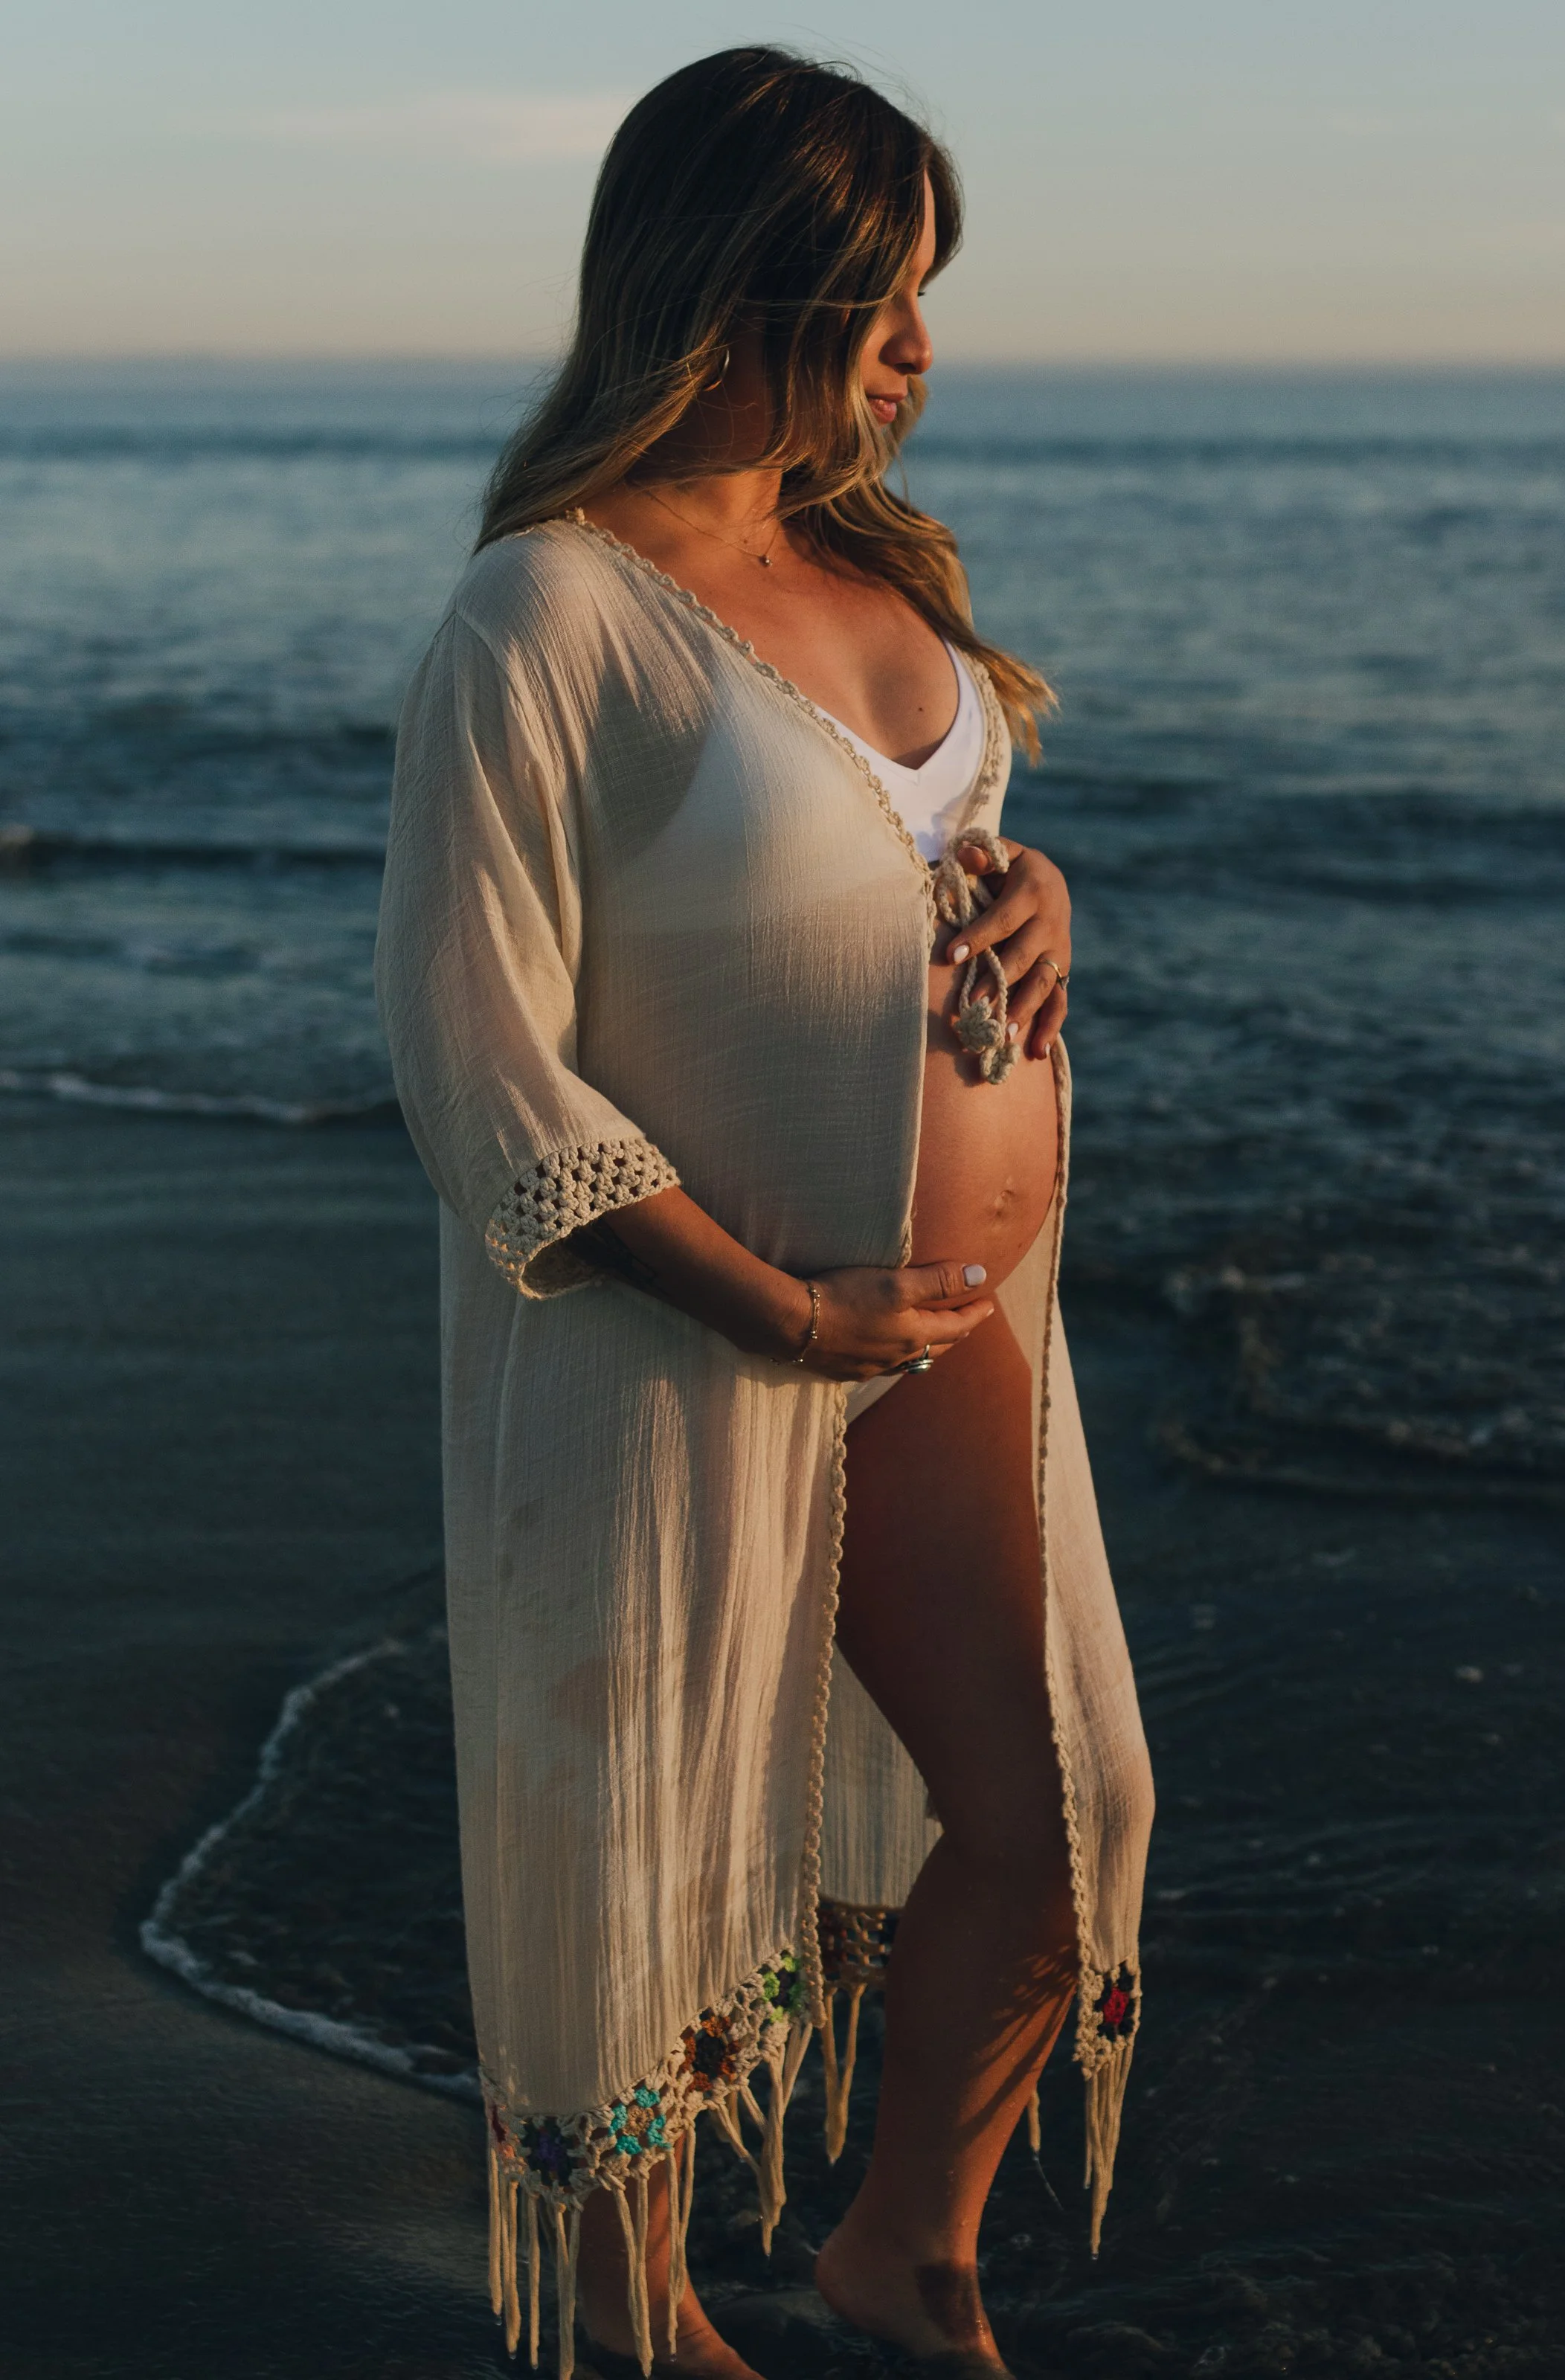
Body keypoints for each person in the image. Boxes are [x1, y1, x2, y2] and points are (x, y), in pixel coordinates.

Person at [375, 46, 1152, 2380]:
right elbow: (472, 1050)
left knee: (1066, 1806)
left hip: (943, 1312)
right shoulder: (549, 616)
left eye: (926, 296)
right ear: (745, 282)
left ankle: (904, 2243)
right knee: (645, 1827)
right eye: (884, 293)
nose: (919, 347)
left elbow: (899, 860)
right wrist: (762, 1296)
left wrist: (1040, 901)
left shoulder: (871, 573)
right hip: (693, 1330)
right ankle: (627, 2312)